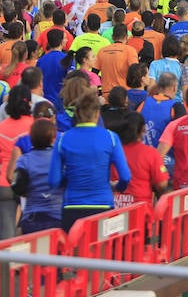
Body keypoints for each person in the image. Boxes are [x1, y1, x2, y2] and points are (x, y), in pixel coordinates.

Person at [49, 89, 131, 231]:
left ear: (77, 113)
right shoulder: (111, 138)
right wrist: (117, 187)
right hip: (103, 205)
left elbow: (53, 181)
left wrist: (69, 179)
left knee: (74, 252)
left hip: (72, 206)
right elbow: (125, 176)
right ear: (97, 113)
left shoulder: (62, 139)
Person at [0, 86, 33, 238]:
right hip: (30, 184)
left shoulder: (1, 127)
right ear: (29, 102)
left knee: (6, 233)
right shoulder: (35, 125)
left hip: (4, 184)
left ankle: (4, 261)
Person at [10, 118, 62, 234]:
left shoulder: (24, 160)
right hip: (57, 216)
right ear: (53, 138)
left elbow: (18, 187)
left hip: (32, 217)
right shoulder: (60, 158)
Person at [114, 112, 168, 208]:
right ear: (143, 129)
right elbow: (162, 184)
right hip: (141, 211)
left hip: (114, 212)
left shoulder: (112, 152)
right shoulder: (151, 153)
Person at [137, 72, 186, 148]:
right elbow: (182, 135)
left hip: (143, 153)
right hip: (166, 156)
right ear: (174, 88)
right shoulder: (177, 107)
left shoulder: (144, 103)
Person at [96, 24, 139, 99]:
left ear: (112, 37)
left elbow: (94, 73)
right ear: (126, 37)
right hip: (124, 93)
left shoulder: (102, 51)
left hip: (106, 93)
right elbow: (135, 71)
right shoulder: (130, 51)